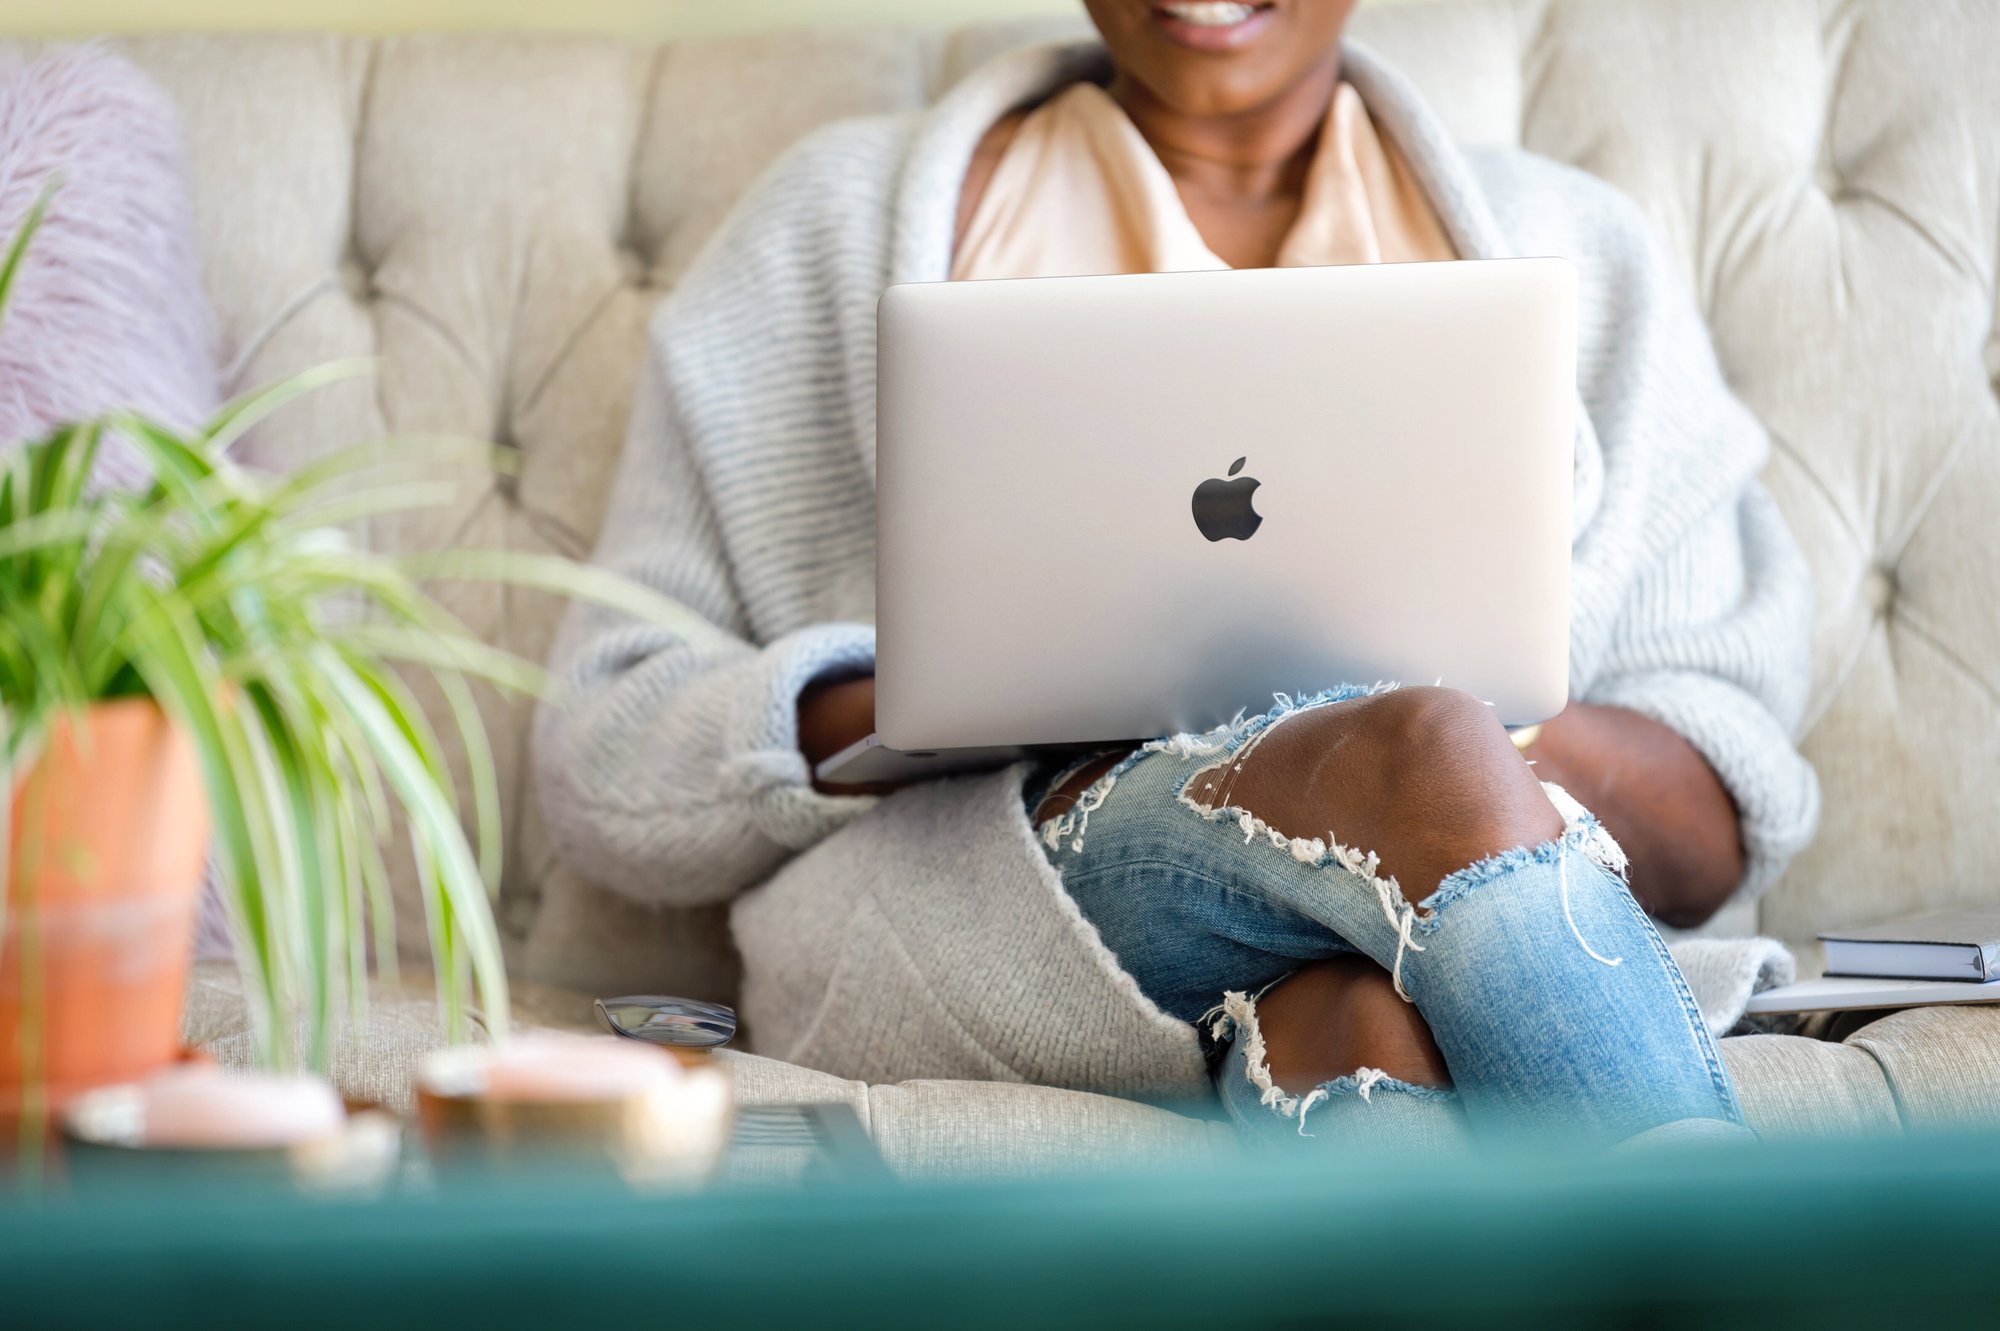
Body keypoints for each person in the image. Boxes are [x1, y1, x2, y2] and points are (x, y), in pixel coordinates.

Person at [535, 0, 1820, 1149]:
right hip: (1003, 902)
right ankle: (1736, 1280)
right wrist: (927, 689)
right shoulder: (828, 228)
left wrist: (1472, 764)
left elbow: (1709, 807)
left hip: (1428, 928)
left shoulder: (1583, 256)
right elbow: (606, 745)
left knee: (1365, 1023)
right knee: (1417, 746)